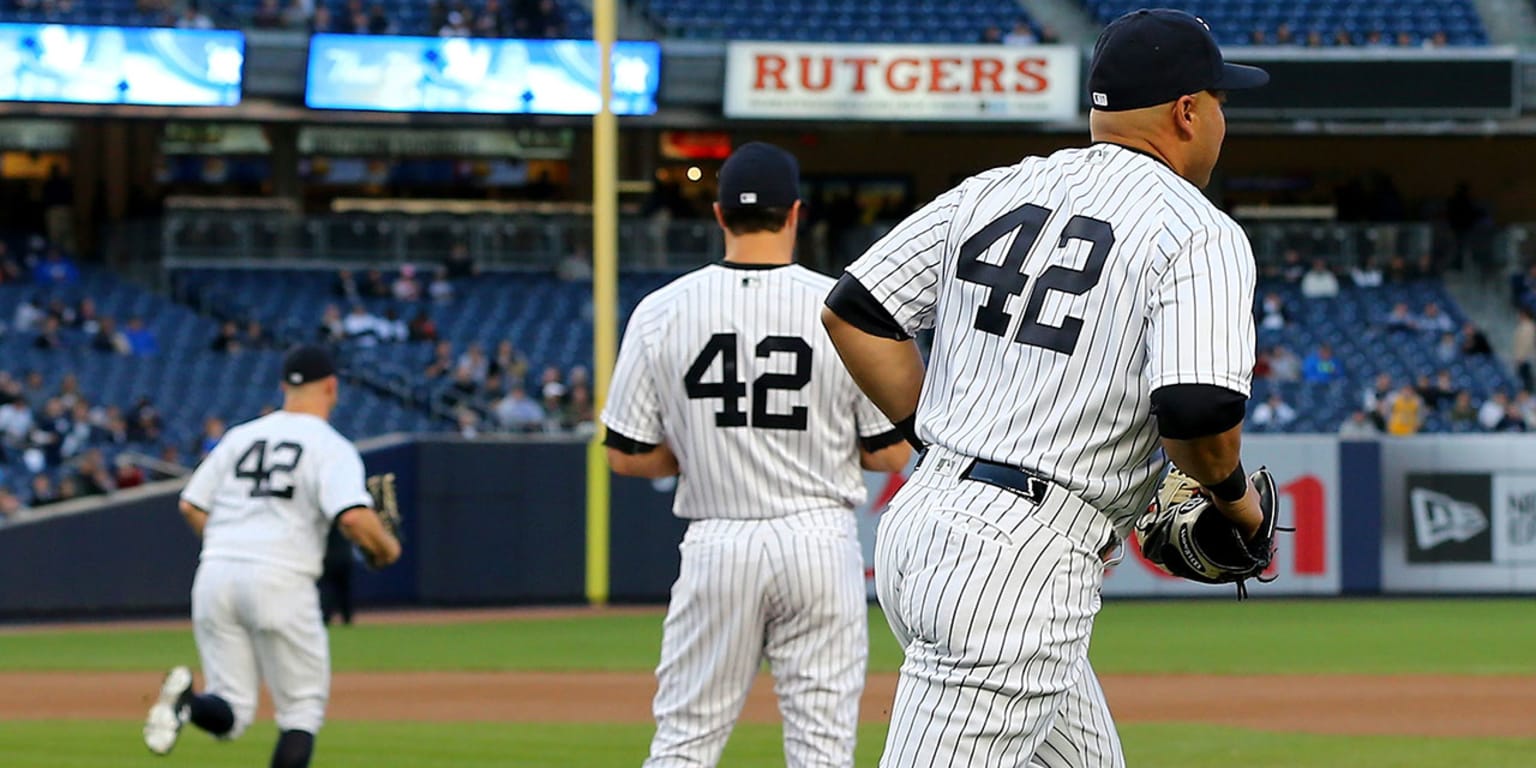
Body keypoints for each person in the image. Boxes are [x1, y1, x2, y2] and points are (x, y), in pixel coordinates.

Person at [821, 11, 1271, 764]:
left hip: (926, 522)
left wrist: (935, 440)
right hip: (1016, 562)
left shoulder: (999, 187)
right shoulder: (1197, 228)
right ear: (1188, 111)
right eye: (1222, 101)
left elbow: (855, 311)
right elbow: (1197, 409)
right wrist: (1238, 506)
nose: (1224, 119)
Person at [602, 143, 911, 768]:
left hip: (718, 538)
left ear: (719, 216)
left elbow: (627, 455)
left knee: (685, 741)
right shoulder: (844, 307)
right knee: (822, 747)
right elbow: (891, 451)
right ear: (795, 214)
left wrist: (704, 449)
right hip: (818, 539)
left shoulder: (662, 309)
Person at [142, 346, 401, 767]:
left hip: (216, 572)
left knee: (231, 713)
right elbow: (354, 518)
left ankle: (188, 704)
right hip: (281, 576)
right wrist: (387, 547)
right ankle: (190, 704)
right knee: (300, 712)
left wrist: (231, 546)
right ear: (333, 387)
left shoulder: (240, 435)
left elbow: (191, 505)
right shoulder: (330, 446)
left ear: (284, 387)